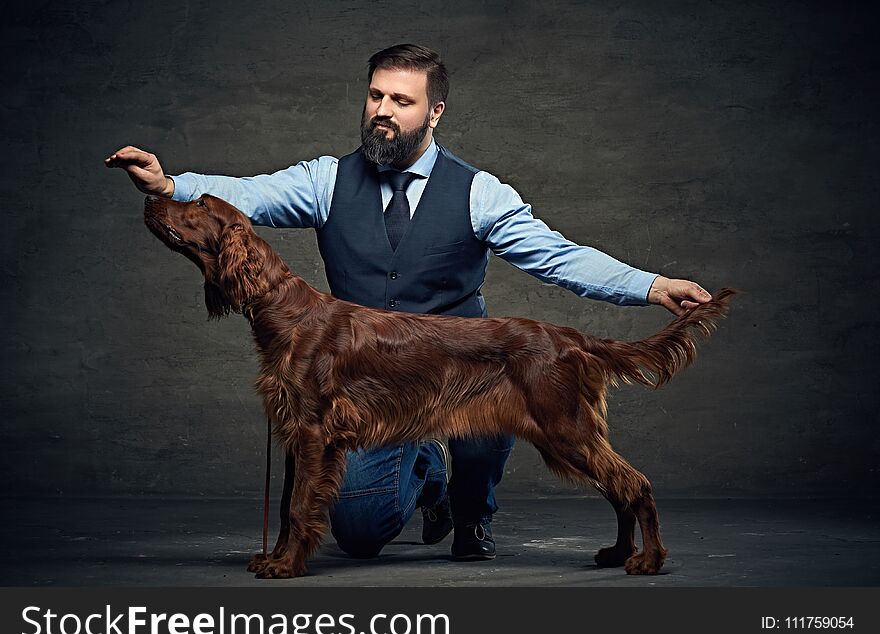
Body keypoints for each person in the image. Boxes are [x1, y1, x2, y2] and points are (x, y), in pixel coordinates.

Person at [106, 43, 711, 562]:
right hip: (368, 378)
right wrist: (169, 186)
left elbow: (558, 256)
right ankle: (426, 476)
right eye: (375, 97)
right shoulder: (326, 180)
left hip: (469, 368)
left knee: (505, 423)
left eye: (401, 101)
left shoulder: (478, 191)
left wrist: (652, 286)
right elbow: (245, 197)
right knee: (360, 533)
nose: (383, 113)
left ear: (435, 111)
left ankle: (473, 512)